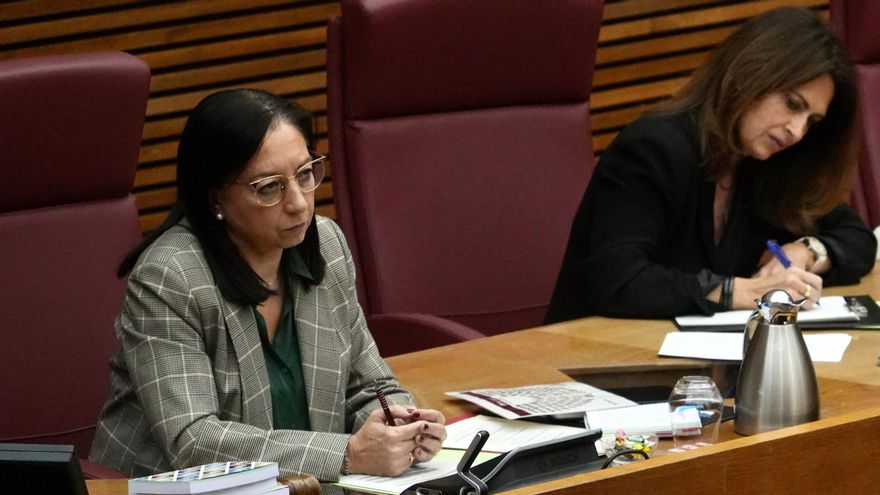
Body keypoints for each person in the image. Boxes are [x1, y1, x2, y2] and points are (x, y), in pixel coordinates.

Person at [89, 89, 446, 481]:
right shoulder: (170, 278)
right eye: (269, 187)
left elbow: (367, 384)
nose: (299, 203)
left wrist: (398, 425)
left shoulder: (325, 244)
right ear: (215, 199)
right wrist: (348, 453)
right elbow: (193, 440)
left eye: (305, 174)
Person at [545, 7, 877, 323]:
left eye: (812, 121)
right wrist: (743, 291)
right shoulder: (653, 149)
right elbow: (620, 282)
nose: (797, 130)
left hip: (696, 365)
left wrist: (807, 250)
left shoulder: (766, 166)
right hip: (589, 362)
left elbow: (860, 240)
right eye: (792, 104)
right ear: (749, 74)